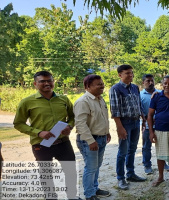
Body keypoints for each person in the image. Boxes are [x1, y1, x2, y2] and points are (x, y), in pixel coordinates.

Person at [13, 71, 78, 199]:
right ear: (35, 84)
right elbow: (18, 123)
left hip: (63, 142)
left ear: (53, 82)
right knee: (46, 175)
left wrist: (69, 126)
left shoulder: (63, 99)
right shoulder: (27, 102)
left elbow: (73, 116)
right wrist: (38, 132)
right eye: (42, 81)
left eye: (50, 80)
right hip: (41, 145)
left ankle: (72, 196)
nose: (47, 83)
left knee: (71, 172)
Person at [74, 75, 111, 200]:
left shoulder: (100, 99)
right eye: (98, 84)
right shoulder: (83, 101)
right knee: (90, 168)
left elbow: (102, 118)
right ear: (88, 87)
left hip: (101, 138)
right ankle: (89, 194)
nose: (102, 86)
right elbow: (80, 124)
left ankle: (95, 188)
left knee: (96, 166)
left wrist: (107, 132)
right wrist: (91, 141)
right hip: (89, 140)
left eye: (102, 83)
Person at [109, 65, 146, 190]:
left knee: (132, 149)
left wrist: (143, 118)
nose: (130, 75)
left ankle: (130, 174)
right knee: (123, 152)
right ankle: (121, 178)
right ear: (120, 75)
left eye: (131, 73)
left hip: (136, 122)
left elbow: (138, 104)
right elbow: (115, 110)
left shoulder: (135, 87)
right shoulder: (116, 89)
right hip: (125, 123)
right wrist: (120, 128)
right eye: (127, 73)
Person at [140, 74, 169, 175]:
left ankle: (163, 162)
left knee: (162, 145)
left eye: (152, 81)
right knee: (146, 146)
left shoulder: (160, 93)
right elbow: (139, 111)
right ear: (143, 83)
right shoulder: (140, 95)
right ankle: (147, 165)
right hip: (147, 126)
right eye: (148, 81)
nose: (150, 83)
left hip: (160, 124)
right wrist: (145, 119)